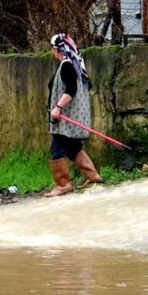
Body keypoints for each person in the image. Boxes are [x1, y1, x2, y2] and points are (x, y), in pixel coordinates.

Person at [44, 33, 102, 197]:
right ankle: (93, 176)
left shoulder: (67, 65)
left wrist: (57, 107)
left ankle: (63, 184)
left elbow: (71, 90)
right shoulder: (77, 65)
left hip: (66, 119)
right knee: (73, 148)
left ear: (57, 50)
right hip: (76, 117)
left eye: (53, 49)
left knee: (56, 149)